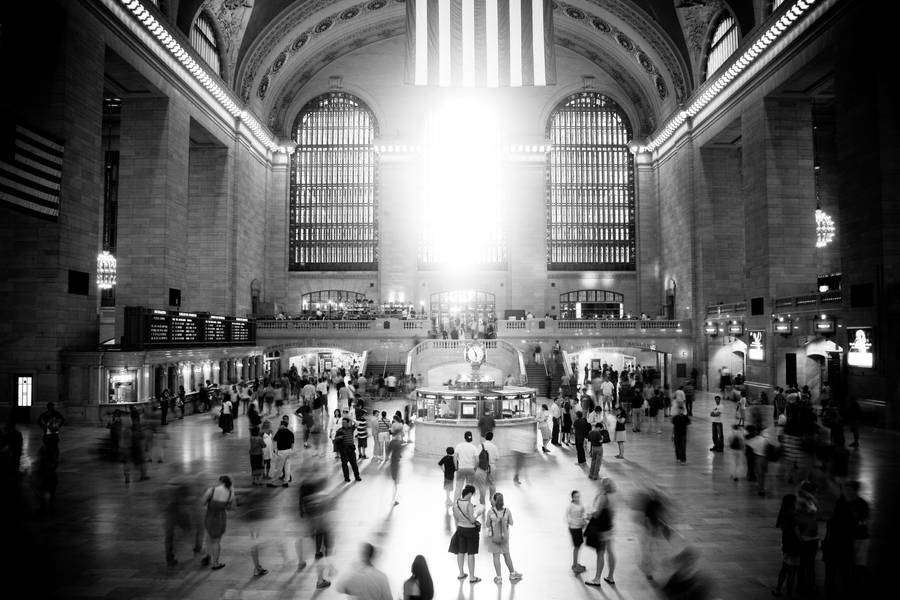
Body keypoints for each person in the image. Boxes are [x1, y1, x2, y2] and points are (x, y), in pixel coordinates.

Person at [584, 478, 617, 587]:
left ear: (603, 486)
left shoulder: (603, 496)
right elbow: (612, 513)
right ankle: (610, 577)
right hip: (609, 526)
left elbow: (597, 513)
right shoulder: (613, 496)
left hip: (602, 527)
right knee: (610, 551)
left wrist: (589, 515)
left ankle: (597, 579)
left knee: (600, 553)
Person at [484, 492, 522, 583]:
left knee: (496, 556)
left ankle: (499, 577)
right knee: (507, 555)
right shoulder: (507, 511)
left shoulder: (490, 512)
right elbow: (512, 523)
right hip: (504, 537)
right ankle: (512, 574)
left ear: (494, 501)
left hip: (493, 537)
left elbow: (487, 524)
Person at [448, 484, 483, 583]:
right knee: (471, 553)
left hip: (460, 529)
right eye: (472, 495)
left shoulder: (456, 503)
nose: (471, 497)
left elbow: (455, 515)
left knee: (461, 552)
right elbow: (472, 520)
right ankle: (472, 577)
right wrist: (478, 514)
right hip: (471, 531)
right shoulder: (469, 505)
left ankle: (461, 573)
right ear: (470, 493)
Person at [200, 475, 234, 570]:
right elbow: (231, 508)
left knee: (208, 537)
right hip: (220, 518)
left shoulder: (211, 490)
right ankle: (215, 563)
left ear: (220, 482)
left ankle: (207, 556)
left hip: (209, 517)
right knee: (216, 542)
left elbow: (202, 502)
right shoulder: (230, 493)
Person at [772, 493, 801, 597]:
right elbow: (797, 532)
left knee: (784, 568)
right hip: (794, 546)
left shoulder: (783, 513)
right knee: (792, 571)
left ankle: (778, 589)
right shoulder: (792, 515)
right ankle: (790, 594)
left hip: (786, 544)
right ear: (793, 503)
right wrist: (803, 541)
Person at [566, 490, 588, 573]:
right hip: (574, 529)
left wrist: (583, 520)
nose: (577, 498)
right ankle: (575, 565)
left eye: (578, 496)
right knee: (576, 547)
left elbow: (583, 513)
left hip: (579, 528)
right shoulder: (571, 506)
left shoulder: (580, 504)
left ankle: (576, 563)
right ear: (572, 498)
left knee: (578, 546)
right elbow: (567, 517)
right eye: (575, 497)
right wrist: (572, 522)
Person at [268, 421, 295, 487]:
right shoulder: (290, 432)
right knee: (287, 467)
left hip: (282, 452)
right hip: (289, 451)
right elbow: (292, 443)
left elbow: (274, 440)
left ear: (282, 425)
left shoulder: (280, 431)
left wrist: (275, 449)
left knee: (278, 468)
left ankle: (274, 482)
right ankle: (286, 482)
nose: (279, 426)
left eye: (280, 425)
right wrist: (291, 450)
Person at [335, 416, 362, 482]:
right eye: (342, 422)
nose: (343, 423)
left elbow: (357, 424)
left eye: (344, 422)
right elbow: (335, 440)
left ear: (348, 423)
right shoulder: (340, 430)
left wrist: (351, 419)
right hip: (344, 450)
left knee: (354, 464)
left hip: (351, 449)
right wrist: (338, 438)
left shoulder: (351, 429)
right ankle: (346, 478)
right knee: (344, 465)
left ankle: (357, 476)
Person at [453, 431, 478, 499]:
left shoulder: (459, 446)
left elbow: (455, 458)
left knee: (458, 487)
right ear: (471, 437)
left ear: (464, 437)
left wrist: (456, 468)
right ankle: (467, 503)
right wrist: (474, 469)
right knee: (469, 487)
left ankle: (456, 503)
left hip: (461, 469)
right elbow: (477, 461)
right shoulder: (474, 447)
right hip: (471, 469)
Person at [387, 430, 404, 506]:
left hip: (395, 463)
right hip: (395, 463)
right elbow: (395, 453)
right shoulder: (396, 443)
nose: (400, 436)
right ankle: (395, 499)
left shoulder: (393, 442)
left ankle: (395, 498)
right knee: (396, 482)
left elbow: (388, 453)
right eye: (399, 435)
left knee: (396, 482)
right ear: (396, 435)